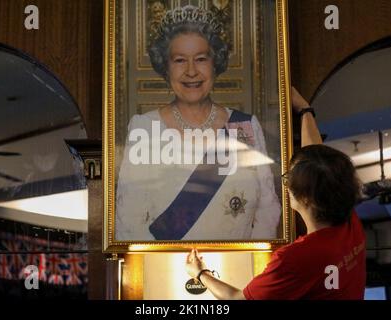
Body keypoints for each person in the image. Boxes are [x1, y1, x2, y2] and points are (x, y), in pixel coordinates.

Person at [115, 5, 281, 241]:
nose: (191, 71)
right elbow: (128, 220)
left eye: (201, 59)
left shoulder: (243, 126)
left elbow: (268, 209)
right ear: (166, 66)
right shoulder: (145, 128)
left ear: (215, 63)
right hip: (164, 270)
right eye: (180, 60)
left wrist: (249, 259)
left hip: (238, 270)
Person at [185, 94, 366, 299]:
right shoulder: (350, 225)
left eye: (289, 178)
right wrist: (305, 110)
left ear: (305, 198)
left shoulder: (294, 259)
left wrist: (200, 273)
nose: (285, 183)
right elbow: (316, 159)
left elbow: (238, 298)